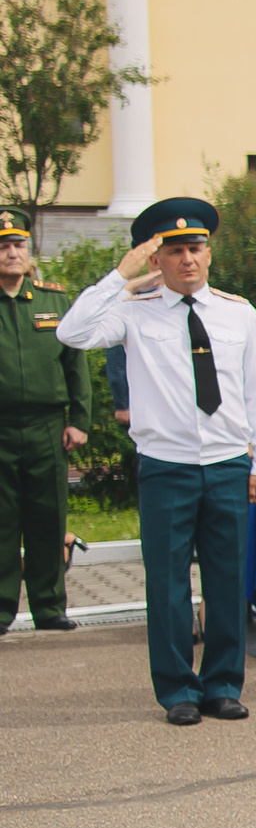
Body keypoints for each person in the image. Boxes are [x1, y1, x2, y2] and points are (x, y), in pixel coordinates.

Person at [56, 199, 256, 721]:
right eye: (174, 251)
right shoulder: (132, 312)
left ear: (208, 251)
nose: (188, 260)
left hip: (227, 464)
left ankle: (223, 684)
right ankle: (178, 690)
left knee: (227, 581)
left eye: (195, 248)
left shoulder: (237, 313)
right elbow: (72, 332)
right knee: (168, 582)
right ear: (157, 259)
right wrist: (121, 277)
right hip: (166, 466)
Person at [0, 205, 88, 633]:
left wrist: (80, 419)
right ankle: (1, 611)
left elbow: (75, 363)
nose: (10, 253)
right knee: (2, 520)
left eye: (17, 245)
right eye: (2, 247)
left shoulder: (54, 300)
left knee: (47, 518)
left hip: (47, 426)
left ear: (29, 251)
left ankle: (49, 607)